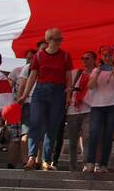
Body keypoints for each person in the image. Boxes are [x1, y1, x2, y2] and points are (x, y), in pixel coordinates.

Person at [17, 28, 73, 170]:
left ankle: (46, 160)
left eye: (61, 39)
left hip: (58, 92)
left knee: (52, 127)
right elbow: (32, 77)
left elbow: (69, 78)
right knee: (35, 123)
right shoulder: (39, 56)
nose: (59, 42)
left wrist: (68, 96)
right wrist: (24, 95)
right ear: (48, 40)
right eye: (56, 39)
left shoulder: (65, 56)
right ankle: (31, 157)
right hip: (41, 91)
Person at [83, 45, 114, 173]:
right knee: (94, 133)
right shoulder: (96, 70)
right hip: (97, 106)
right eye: (105, 55)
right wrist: (97, 74)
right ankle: (90, 162)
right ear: (102, 56)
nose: (107, 58)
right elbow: (90, 86)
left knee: (108, 135)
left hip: (113, 105)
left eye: (110, 55)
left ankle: (103, 164)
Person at [65, 51, 96, 173]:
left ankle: (86, 164)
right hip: (73, 109)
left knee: (87, 138)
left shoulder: (96, 74)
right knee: (73, 140)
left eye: (87, 58)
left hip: (89, 109)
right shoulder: (76, 73)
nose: (84, 61)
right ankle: (72, 166)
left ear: (94, 60)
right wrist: (68, 97)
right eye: (83, 58)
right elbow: (69, 87)